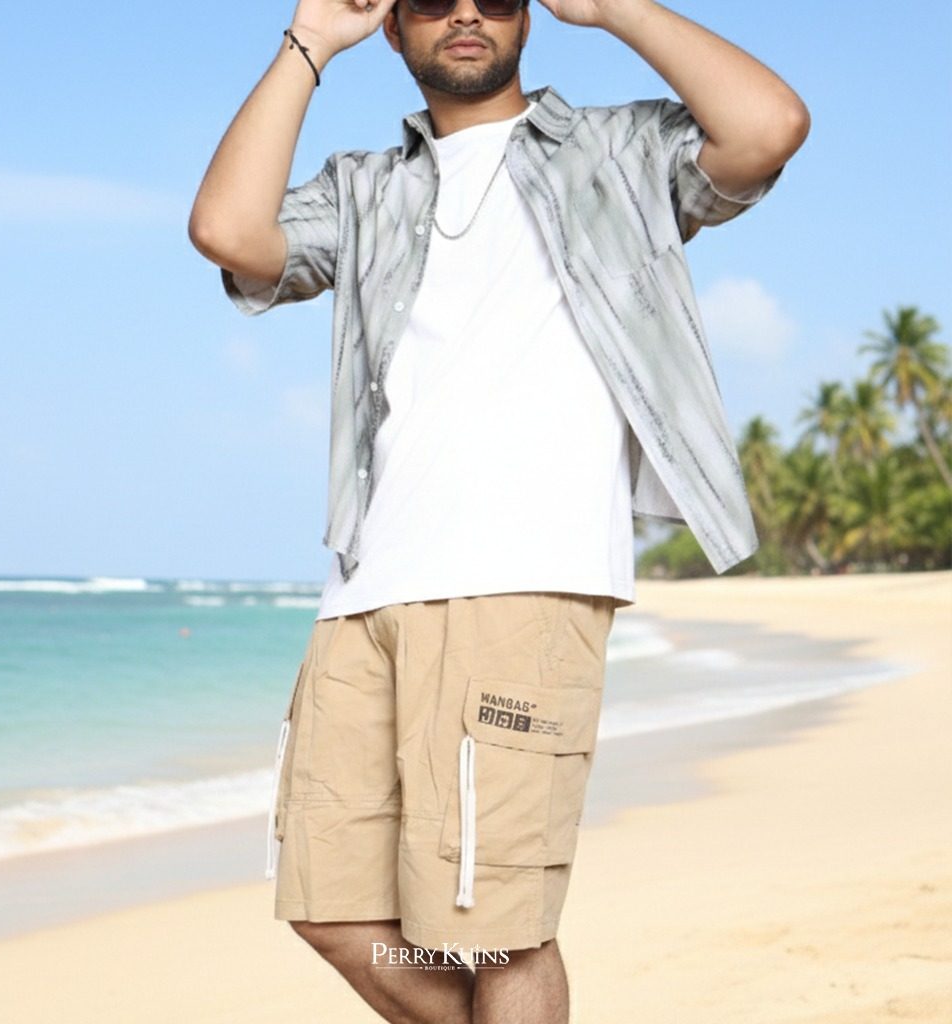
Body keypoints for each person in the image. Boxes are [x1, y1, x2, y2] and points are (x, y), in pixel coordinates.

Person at [188, 0, 810, 1020]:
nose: (468, 10)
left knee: (497, 925)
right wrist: (311, 39)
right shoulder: (365, 187)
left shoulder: (615, 151)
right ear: (395, 27)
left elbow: (768, 126)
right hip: (362, 589)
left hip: (524, 579)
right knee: (333, 911)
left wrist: (611, 6)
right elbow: (228, 231)